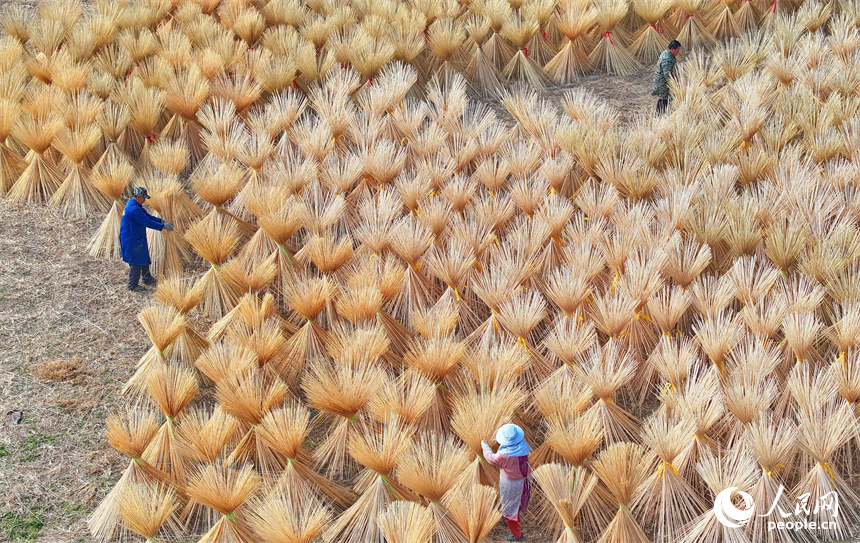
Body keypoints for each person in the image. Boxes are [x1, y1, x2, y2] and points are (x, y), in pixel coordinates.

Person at [481, 424, 533, 542]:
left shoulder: (504, 456)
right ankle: (512, 518)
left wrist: (485, 447)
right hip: (526, 478)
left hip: (512, 484)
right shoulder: (523, 445)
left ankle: (517, 535)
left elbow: (491, 458)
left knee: (509, 507)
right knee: (518, 501)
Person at [119, 187, 173, 292]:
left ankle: (147, 278)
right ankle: (132, 286)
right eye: (144, 198)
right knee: (136, 262)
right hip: (131, 239)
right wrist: (163, 227)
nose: (145, 200)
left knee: (143, 257)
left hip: (136, 237)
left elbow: (147, 216)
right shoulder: (133, 209)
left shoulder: (134, 204)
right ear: (138, 197)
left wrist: (161, 220)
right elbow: (147, 222)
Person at [652, 40, 681, 114]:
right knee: (663, 99)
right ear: (672, 49)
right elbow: (667, 74)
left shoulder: (669, 54)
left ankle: (662, 114)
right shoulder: (666, 59)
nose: (678, 52)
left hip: (665, 81)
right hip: (662, 83)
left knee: (666, 99)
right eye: (677, 50)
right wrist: (673, 84)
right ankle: (658, 115)